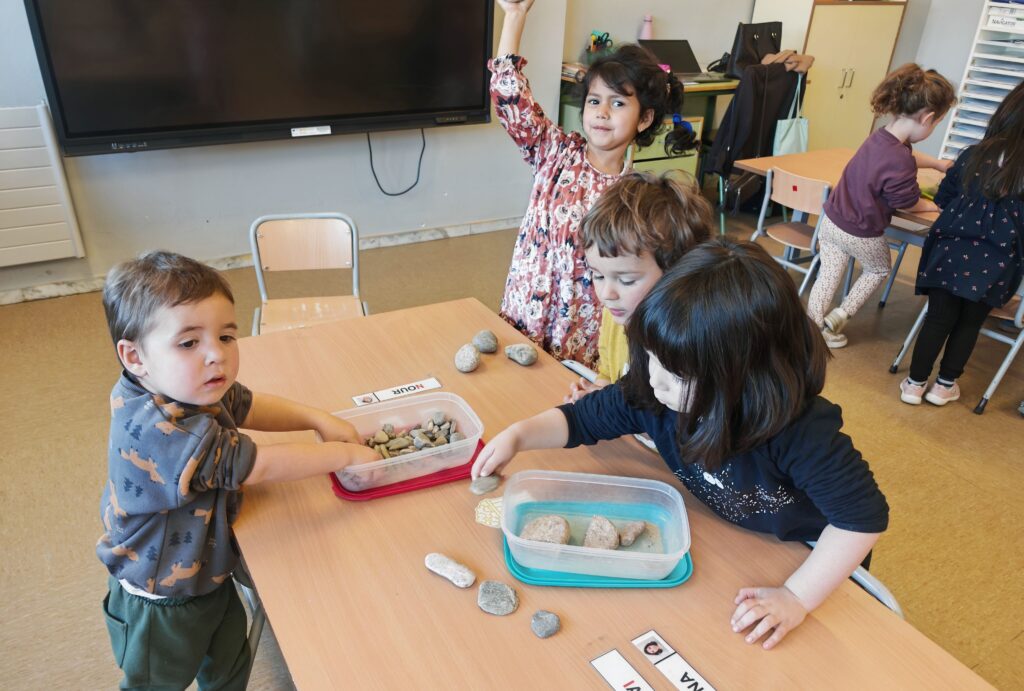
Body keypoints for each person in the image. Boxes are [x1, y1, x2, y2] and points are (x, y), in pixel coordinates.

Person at [473, 239, 889, 650]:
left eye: (678, 374)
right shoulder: (658, 394)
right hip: (732, 543)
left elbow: (860, 520)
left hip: (813, 558)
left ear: (747, 377)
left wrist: (797, 596)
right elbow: (583, 418)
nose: (655, 379)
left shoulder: (800, 432)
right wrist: (519, 435)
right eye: (652, 357)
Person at [97, 251, 379, 689]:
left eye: (226, 336)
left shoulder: (186, 384)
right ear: (135, 357)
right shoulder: (163, 430)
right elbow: (257, 465)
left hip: (207, 572)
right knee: (155, 684)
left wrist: (319, 419)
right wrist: (343, 456)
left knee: (229, 665)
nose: (217, 355)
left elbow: (248, 404)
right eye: (189, 343)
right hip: (161, 599)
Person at [491, 0, 695, 368]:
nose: (601, 112)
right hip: (523, 313)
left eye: (618, 104)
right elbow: (510, 99)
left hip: (580, 337)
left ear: (645, 118)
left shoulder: (635, 195)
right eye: (594, 100)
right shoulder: (554, 152)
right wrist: (514, 17)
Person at [807, 64, 957, 348]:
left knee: (828, 275)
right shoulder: (898, 158)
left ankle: (811, 329)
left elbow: (907, 158)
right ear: (927, 118)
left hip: (831, 221)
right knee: (878, 269)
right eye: (936, 123)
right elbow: (908, 202)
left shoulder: (881, 136)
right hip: (861, 233)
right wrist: (935, 207)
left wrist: (937, 164)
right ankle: (839, 317)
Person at [899, 81, 1024, 406]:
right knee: (970, 323)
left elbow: (944, 198)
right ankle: (944, 387)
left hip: (949, 249)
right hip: (995, 260)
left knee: (937, 318)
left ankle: (914, 384)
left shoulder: (973, 154)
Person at [565, 171, 713, 402]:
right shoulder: (617, 313)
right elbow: (608, 375)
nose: (606, 294)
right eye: (598, 275)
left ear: (677, 273)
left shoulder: (691, 339)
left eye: (627, 280)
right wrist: (598, 395)